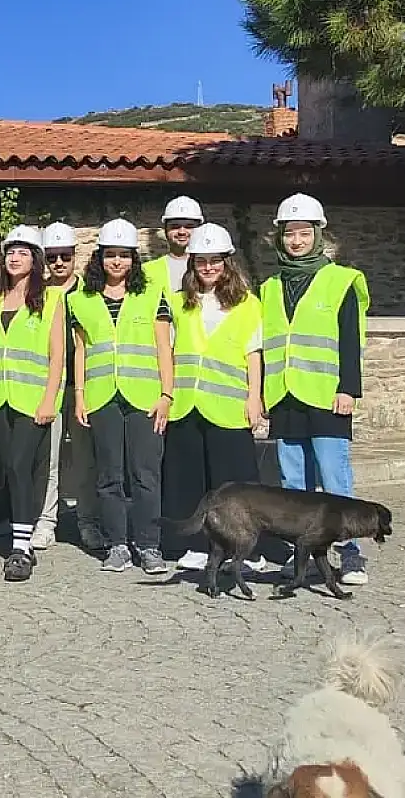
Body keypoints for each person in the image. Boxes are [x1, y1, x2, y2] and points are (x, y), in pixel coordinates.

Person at [261, 193, 371, 585]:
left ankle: (352, 553)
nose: (296, 241)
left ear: (318, 234)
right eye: (289, 234)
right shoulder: (269, 287)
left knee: (335, 479)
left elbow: (350, 340)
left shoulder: (340, 280)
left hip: (327, 395)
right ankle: (302, 556)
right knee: (294, 487)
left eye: (303, 233)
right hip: (285, 395)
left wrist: (349, 389)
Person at [67, 219, 175, 575]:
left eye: (124, 255)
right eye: (110, 255)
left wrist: (166, 394)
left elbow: (164, 346)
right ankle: (117, 545)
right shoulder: (79, 299)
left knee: (146, 475)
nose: (117, 262)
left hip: (145, 398)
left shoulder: (152, 294)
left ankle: (149, 545)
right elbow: (80, 351)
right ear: (99, 258)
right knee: (108, 476)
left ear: (134, 259)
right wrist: (80, 396)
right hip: (101, 398)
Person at [160, 224, 265, 572]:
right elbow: (168, 351)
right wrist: (167, 394)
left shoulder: (248, 304)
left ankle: (243, 548)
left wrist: (254, 398)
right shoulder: (178, 302)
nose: (208, 268)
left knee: (235, 484)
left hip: (229, 405)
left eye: (214, 261)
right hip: (188, 403)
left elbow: (254, 354)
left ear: (227, 262)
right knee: (189, 480)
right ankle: (194, 547)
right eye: (201, 261)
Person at [0, 225, 67, 583]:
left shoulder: (50, 300)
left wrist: (50, 399)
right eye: (10, 252)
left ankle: (22, 547)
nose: (15, 258)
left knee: (20, 466)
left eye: (23, 252)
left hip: (33, 402)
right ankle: (20, 534)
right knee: (7, 469)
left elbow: (57, 356)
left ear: (36, 260)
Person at [35, 221, 97, 551]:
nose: (59, 263)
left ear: (75, 256)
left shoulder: (89, 293)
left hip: (81, 386)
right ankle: (46, 521)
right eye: (53, 257)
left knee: (86, 460)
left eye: (64, 256)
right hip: (48, 386)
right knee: (49, 458)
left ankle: (88, 521)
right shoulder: (38, 295)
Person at [145, 196, 204, 295]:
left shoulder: (213, 268)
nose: (182, 232)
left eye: (189, 226)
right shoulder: (148, 270)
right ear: (165, 229)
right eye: (175, 226)